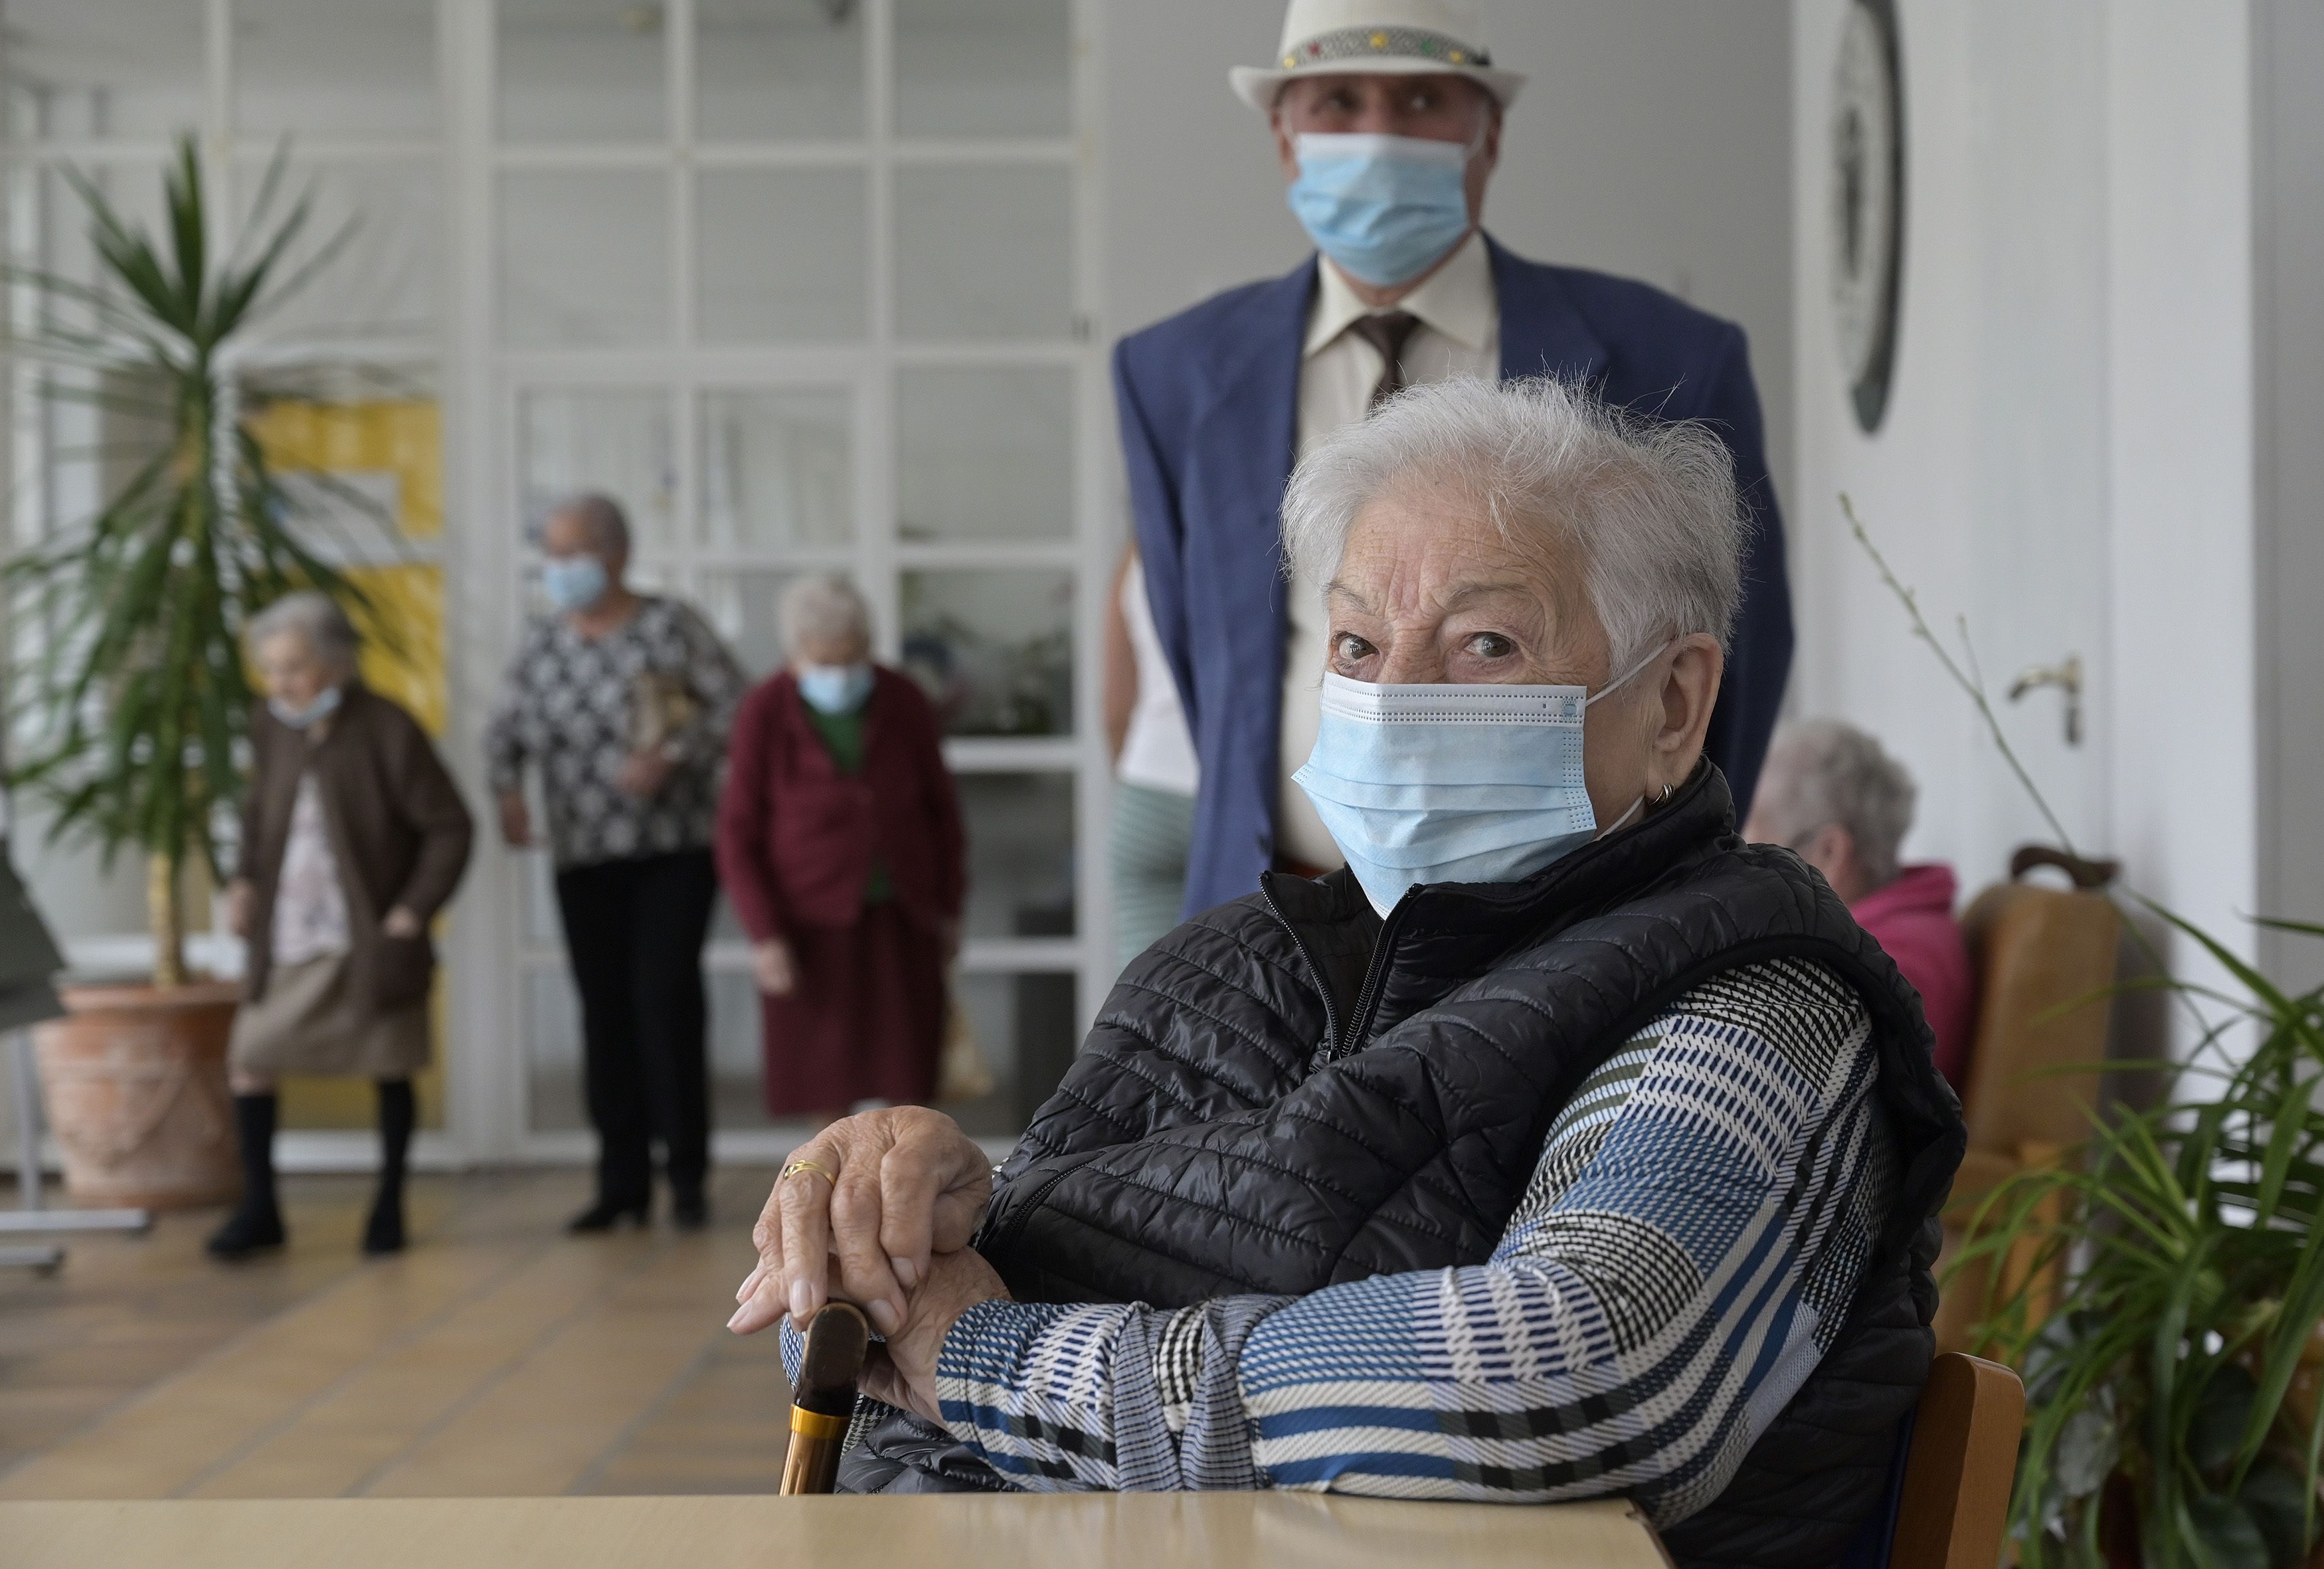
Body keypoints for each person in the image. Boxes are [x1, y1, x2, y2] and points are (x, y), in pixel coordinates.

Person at [728, 380, 1963, 1569]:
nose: (1397, 699)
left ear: (1675, 705)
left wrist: (986, 1362)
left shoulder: (1757, 999)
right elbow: (888, 1351)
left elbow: (1579, 1366)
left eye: (1485, 641)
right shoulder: (1223, 966)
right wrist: (894, 1209)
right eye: (1359, 642)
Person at [1118, 0, 1795, 919]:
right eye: (1337, 102)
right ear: (1283, 140)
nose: (1379, 136)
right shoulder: (1173, 375)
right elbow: (1203, 660)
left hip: (1576, 925)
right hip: (1270, 914)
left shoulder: (1667, 358)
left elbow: (1732, 665)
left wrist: (1658, 879)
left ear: (1488, 135)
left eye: (1423, 100)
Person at [484, 493, 747, 1232]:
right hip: (582, 854)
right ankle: (620, 1182)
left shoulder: (670, 625)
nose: (559, 568)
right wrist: (507, 790)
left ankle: (687, 1175)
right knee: (604, 1015)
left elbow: (737, 705)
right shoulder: (542, 643)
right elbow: (503, 728)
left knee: (663, 1003)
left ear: (617, 556)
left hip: (671, 851)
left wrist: (673, 754)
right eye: (552, 553)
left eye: (574, 553)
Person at [210, 594, 472, 1261]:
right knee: (251, 1057)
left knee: (389, 1061)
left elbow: (449, 826)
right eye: (270, 670)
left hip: (367, 940)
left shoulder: (388, 728)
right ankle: (261, 1208)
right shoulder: (272, 726)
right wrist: (243, 882)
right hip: (289, 935)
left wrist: (412, 910)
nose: (279, 684)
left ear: (336, 663)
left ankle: (388, 1205)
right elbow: (254, 815)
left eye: (293, 668)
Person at [715, 577, 964, 1123]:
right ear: (795, 654)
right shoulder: (764, 709)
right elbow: (737, 832)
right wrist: (765, 935)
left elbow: (942, 814)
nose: (841, 674)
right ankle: (833, 1207)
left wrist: (949, 908)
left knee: (909, 1081)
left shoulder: (902, 699)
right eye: (825, 661)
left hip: (902, 914)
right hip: (808, 926)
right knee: (825, 1082)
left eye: (852, 658)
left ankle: (907, 1201)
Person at [1745, 719, 1977, 1093]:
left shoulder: (1888, 961)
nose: (1747, 876)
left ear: (1829, 853)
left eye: (1757, 852)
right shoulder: (1889, 934)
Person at [1102, 545, 1200, 970]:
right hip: (1236, 800)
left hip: (1147, 791)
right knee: (1249, 1002)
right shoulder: (1261, 540)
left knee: (1145, 997)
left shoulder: (1137, 552)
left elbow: (1114, 710)